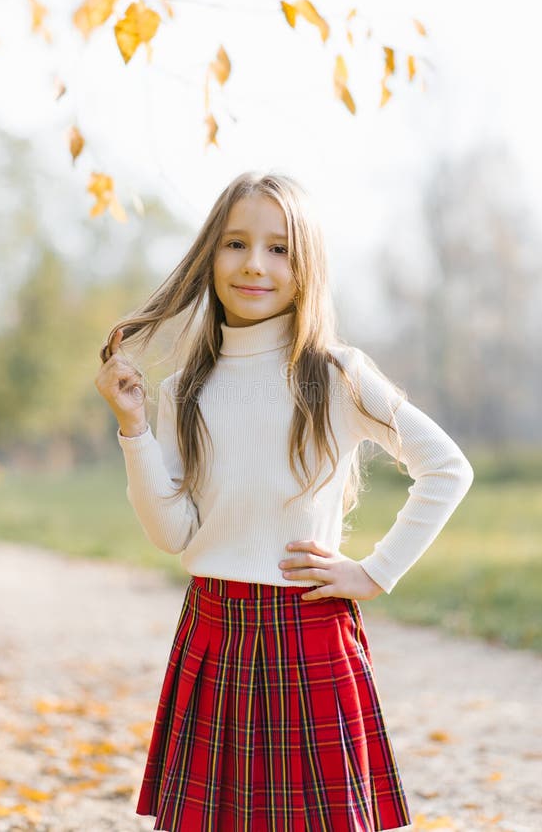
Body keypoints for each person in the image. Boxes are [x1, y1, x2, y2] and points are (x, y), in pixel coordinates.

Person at [95, 170, 474, 832]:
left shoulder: (335, 374)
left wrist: (375, 571)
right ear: (209, 254)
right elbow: (174, 532)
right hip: (212, 627)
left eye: (278, 249)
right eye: (235, 243)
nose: (253, 265)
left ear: (307, 267)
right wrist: (133, 429)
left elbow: (445, 467)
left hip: (308, 626)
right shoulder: (184, 388)